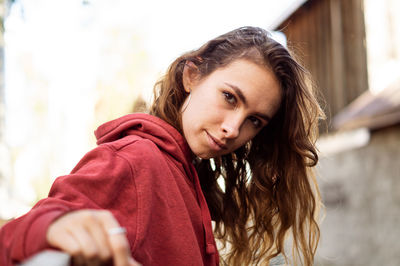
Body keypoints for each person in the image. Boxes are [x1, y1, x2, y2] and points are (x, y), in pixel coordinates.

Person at [0, 26, 324, 266]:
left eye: (255, 120)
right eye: (229, 97)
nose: (233, 128)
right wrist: (54, 226)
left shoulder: (186, 175)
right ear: (192, 76)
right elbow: (13, 238)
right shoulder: (136, 159)